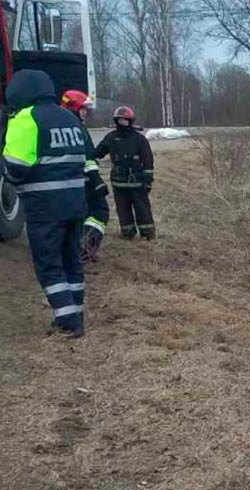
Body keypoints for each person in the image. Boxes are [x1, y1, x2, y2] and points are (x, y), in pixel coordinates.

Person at [3, 70, 89, 337]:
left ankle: (67, 323)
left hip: (45, 207)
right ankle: (76, 314)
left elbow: (16, 167)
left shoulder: (26, 119)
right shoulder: (69, 118)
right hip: (76, 204)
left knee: (49, 265)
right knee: (71, 261)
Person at [59, 89, 110, 263]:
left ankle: (71, 250)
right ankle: (85, 249)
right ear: (73, 108)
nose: (85, 113)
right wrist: (97, 181)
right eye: (83, 109)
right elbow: (88, 158)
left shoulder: (57, 127)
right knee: (99, 212)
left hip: (65, 183)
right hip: (84, 181)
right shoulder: (78, 130)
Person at [94, 105, 154, 239]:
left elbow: (148, 161)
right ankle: (127, 233)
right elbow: (97, 153)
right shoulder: (111, 138)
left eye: (125, 120)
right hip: (118, 181)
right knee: (123, 209)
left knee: (142, 209)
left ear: (131, 121)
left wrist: (148, 181)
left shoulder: (140, 140)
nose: (122, 123)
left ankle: (147, 234)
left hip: (137, 181)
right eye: (119, 120)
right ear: (115, 121)